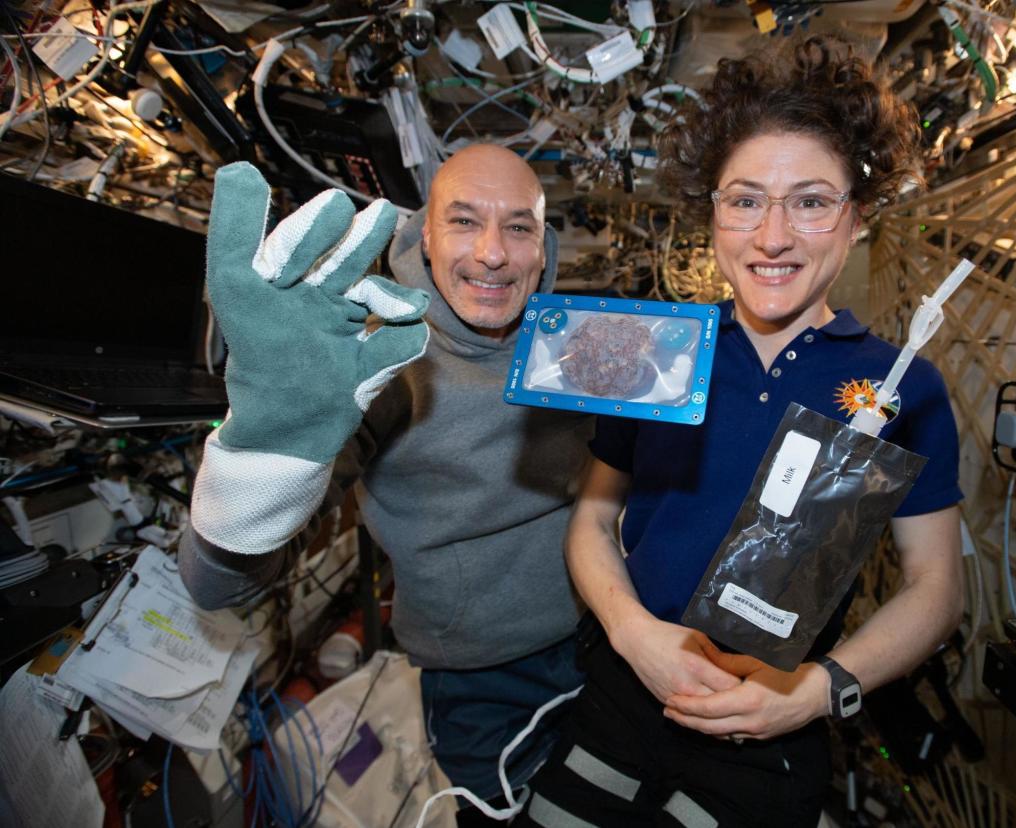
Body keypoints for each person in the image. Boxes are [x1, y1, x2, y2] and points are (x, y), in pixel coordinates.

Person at [517, 37, 964, 827]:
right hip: (623, 697)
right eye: (746, 199)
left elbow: (935, 588)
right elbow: (591, 518)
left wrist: (820, 691)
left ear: (855, 218)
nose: (773, 236)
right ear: (714, 214)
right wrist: (633, 635)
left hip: (773, 726)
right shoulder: (649, 348)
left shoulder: (902, 388)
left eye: (811, 200)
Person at [179, 145, 591, 820]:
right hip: (482, 675)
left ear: (543, 247)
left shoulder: (570, 336)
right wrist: (263, 457)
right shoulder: (381, 363)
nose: (493, 253)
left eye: (519, 227)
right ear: (423, 234)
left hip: (601, 634)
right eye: (464, 222)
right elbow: (215, 584)